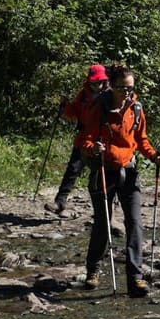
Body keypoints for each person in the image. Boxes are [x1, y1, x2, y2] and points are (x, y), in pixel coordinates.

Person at [80, 65, 160, 298]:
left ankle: (135, 278)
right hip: (104, 172)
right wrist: (93, 147)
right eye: (122, 88)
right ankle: (93, 270)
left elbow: (141, 139)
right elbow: (84, 139)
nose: (127, 92)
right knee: (103, 224)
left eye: (130, 88)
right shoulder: (100, 108)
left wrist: (154, 155)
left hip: (129, 172)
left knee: (135, 223)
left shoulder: (136, 109)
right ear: (112, 86)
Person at [45, 64, 110, 216]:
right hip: (83, 139)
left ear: (105, 81)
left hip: (101, 141)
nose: (96, 86)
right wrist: (65, 106)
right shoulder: (83, 95)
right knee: (72, 170)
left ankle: (103, 210)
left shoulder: (110, 96)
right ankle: (60, 202)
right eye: (93, 83)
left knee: (100, 175)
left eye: (99, 83)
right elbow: (73, 112)